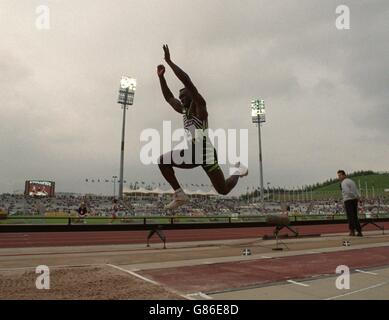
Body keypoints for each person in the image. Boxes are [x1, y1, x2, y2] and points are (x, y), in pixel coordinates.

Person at [157, 44, 248, 210]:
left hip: (206, 154)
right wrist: (161, 78)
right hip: (193, 153)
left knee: (223, 190)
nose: (181, 99)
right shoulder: (184, 110)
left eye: (184, 96)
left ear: (192, 95)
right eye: (181, 97)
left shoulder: (201, 107)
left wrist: (169, 61)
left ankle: (237, 171)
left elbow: (186, 80)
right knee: (162, 161)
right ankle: (179, 194)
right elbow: (169, 98)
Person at [337, 170, 363, 237]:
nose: (339, 177)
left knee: (350, 217)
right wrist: (358, 197)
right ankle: (359, 231)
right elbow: (357, 190)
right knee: (355, 216)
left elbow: (347, 192)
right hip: (354, 200)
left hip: (348, 200)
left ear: (344, 175)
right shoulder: (351, 181)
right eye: (338, 176)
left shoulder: (343, 183)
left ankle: (352, 231)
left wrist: (354, 197)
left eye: (340, 175)